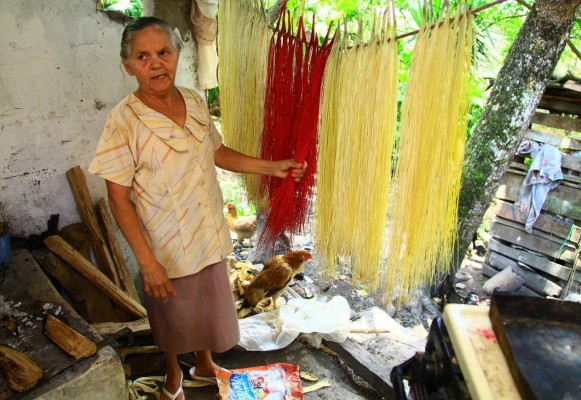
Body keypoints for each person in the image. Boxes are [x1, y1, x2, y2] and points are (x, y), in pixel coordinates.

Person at [88, 16, 306, 400]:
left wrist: (273, 167)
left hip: (206, 230)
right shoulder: (124, 121)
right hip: (166, 243)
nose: (155, 63)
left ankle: (204, 367)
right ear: (128, 65)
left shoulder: (193, 100)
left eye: (163, 52)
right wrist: (147, 261)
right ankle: (173, 375)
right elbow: (118, 199)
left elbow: (218, 153)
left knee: (206, 308)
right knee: (172, 319)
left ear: (177, 55)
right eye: (143, 56)